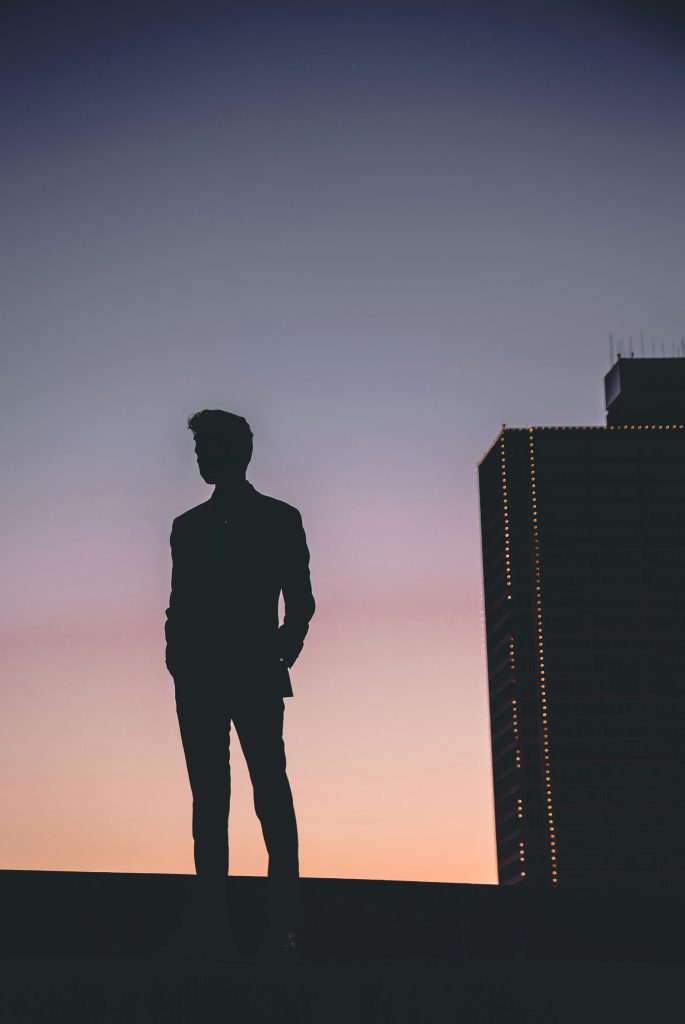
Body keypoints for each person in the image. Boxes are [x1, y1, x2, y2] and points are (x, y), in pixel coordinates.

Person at [163, 409, 315, 961]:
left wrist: (278, 653)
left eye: (209, 446)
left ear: (235, 451)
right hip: (202, 679)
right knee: (211, 801)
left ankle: (286, 926)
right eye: (199, 447)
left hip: (251, 675)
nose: (201, 455)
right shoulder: (188, 527)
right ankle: (215, 926)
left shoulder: (279, 519)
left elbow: (301, 602)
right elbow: (178, 605)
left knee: (269, 796)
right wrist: (177, 659)